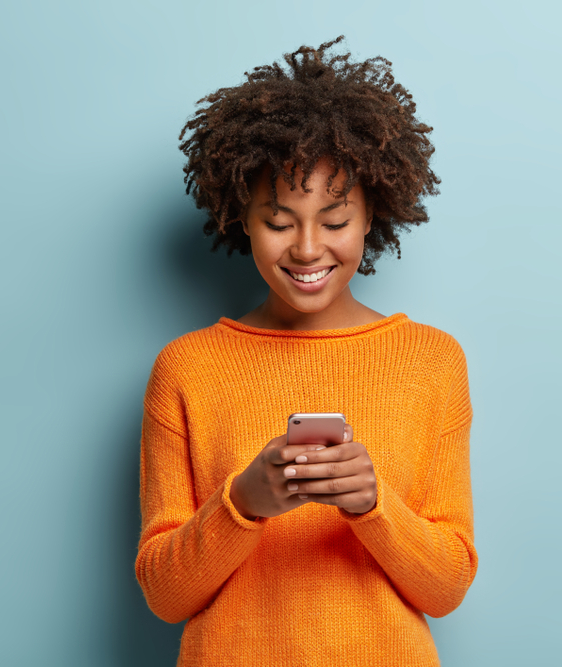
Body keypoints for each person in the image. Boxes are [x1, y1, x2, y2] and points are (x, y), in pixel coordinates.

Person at [135, 36, 477, 666]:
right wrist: (243, 504)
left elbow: (447, 586)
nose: (308, 248)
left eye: (336, 219)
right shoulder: (186, 368)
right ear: (242, 218)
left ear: (373, 214)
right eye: (280, 220)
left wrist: (374, 507)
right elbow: (163, 594)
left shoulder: (432, 361)